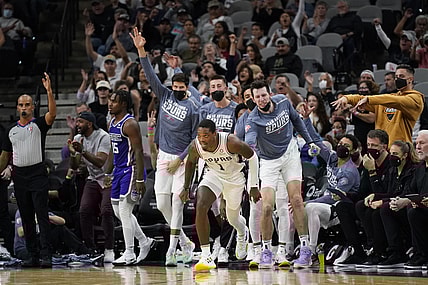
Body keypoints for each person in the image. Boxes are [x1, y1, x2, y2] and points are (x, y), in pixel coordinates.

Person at [131, 27, 199, 266]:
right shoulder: (166, 95)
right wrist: (141, 50)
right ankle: (185, 242)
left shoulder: (194, 108)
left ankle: (172, 250)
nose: (178, 91)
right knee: (161, 203)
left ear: (187, 89)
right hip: (163, 156)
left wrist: (180, 159)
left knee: (178, 202)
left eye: (182, 88)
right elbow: (150, 75)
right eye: (175, 87)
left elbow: (195, 140)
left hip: (182, 161)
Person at [244, 79, 320, 268]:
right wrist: (247, 151)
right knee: (267, 207)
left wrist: (310, 141)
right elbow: (250, 143)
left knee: (296, 200)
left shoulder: (283, 102)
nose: (261, 99)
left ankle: (304, 250)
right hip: (268, 161)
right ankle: (266, 251)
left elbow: (297, 120)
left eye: (263, 95)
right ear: (253, 100)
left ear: (269, 94)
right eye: (257, 97)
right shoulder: (253, 119)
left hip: (290, 153)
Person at [181, 119, 258, 271]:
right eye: (199, 135)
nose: (202, 139)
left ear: (214, 134)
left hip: (235, 178)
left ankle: (242, 231)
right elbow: (190, 163)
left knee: (232, 218)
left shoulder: (231, 142)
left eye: (206, 136)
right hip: (214, 175)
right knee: (201, 205)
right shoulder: (196, 145)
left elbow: (253, 156)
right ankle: (206, 255)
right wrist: (186, 187)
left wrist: (253, 186)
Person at [0, 73, 55, 268]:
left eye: (27, 105)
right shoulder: (11, 130)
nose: (24, 108)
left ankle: (46, 254)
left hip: (38, 174)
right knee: (26, 217)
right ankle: (32, 255)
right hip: (20, 176)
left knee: (41, 215)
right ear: (17, 107)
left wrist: (49, 92)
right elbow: (5, 154)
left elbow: (52, 115)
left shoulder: (39, 124)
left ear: (32, 107)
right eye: (21, 105)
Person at [104, 90, 155, 265]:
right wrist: (107, 172)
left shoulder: (130, 124)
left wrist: (140, 179)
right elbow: (113, 148)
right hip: (118, 170)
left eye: (114, 101)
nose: (110, 104)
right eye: (110, 100)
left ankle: (129, 252)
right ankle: (144, 241)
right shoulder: (112, 121)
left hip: (131, 170)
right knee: (118, 211)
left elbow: (139, 152)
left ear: (124, 104)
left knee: (125, 211)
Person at [332, 64, 424, 146]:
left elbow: (397, 101)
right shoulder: (386, 99)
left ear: (410, 79)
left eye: (401, 76)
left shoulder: (416, 98)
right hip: (380, 151)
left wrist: (369, 98)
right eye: (396, 76)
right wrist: (347, 98)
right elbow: (361, 99)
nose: (398, 79)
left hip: (400, 150)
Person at [67, 111, 115, 263]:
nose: (77, 125)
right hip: (93, 178)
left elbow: (100, 162)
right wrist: (74, 154)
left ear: (89, 123)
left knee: (106, 211)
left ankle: (109, 249)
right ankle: (90, 249)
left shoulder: (103, 136)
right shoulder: (77, 138)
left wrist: (82, 151)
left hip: (109, 177)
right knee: (84, 210)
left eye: (80, 122)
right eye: (77, 122)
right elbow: (74, 166)